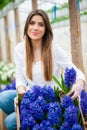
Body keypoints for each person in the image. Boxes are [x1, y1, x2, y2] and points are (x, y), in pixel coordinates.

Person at [0, 9, 86, 130]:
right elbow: (19, 78)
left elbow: (76, 71)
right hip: (31, 96)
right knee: (3, 98)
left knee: (10, 121)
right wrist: (21, 95)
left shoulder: (54, 50)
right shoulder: (19, 49)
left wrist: (79, 84)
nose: (35, 28)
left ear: (46, 29)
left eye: (41, 24)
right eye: (32, 23)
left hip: (51, 100)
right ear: (27, 26)